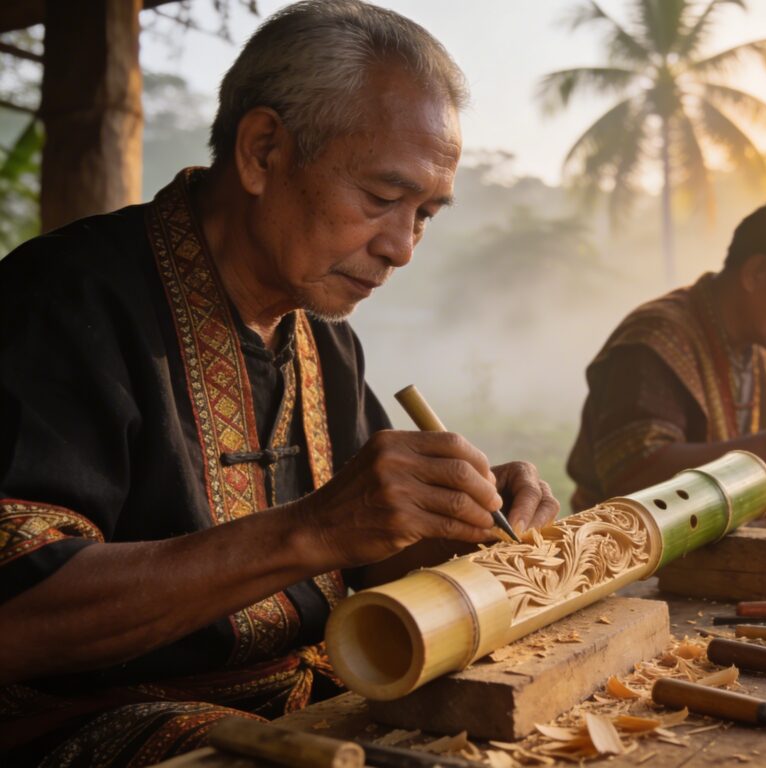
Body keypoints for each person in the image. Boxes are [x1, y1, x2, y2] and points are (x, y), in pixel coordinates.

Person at [0, 1, 559, 763]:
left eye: (426, 213)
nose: (402, 248)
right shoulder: (61, 301)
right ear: (262, 151)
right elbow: (18, 616)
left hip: (311, 702)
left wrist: (448, 517)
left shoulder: (323, 334)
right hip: (97, 727)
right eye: (383, 198)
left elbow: (361, 556)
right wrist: (315, 528)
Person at [567, 200, 766, 511]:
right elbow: (632, 479)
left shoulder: (753, 354)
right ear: (756, 273)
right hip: (627, 555)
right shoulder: (654, 340)